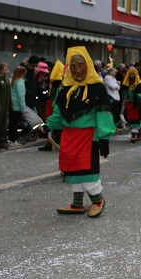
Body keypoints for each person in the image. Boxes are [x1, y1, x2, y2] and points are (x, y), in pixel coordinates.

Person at [45, 47, 114, 217]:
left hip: (88, 136)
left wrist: (104, 139)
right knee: (73, 169)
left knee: (87, 171)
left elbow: (103, 114)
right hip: (69, 135)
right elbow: (58, 113)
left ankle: (98, 200)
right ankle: (77, 204)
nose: (77, 70)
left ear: (88, 65)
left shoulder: (97, 88)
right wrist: (48, 126)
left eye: (81, 65)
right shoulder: (65, 88)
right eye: (73, 65)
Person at [121, 66, 141, 142]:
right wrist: (125, 97)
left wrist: (137, 97)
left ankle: (134, 135)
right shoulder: (125, 84)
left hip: (137, 105)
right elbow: (123, 93)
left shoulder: (140, 84)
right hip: (129, 105)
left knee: (135, 119)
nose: (131, 77)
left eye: (133, 75)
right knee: (131, 119)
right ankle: (136, 133)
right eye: (130, 75)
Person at [9, 66, 27, 142]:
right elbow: (21, 96)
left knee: (12, 123)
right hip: (17, 106)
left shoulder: (11, 80)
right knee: (15, 124)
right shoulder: (20, 82)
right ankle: (14, 139)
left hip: (12, 104)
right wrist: (23, 108)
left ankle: (11, 138)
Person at [103, 63, 122, 128]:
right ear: (111, 72)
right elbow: (112, 86)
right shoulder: (107, 78)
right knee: (113, 112)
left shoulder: (113, 78)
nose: (115, 74)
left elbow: (118, 87)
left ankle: (116, 124)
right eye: (114, 72)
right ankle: (113, 124)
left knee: (116, 111)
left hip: (116, 96)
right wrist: (117, 85)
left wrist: (117, 86)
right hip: (111, 96)